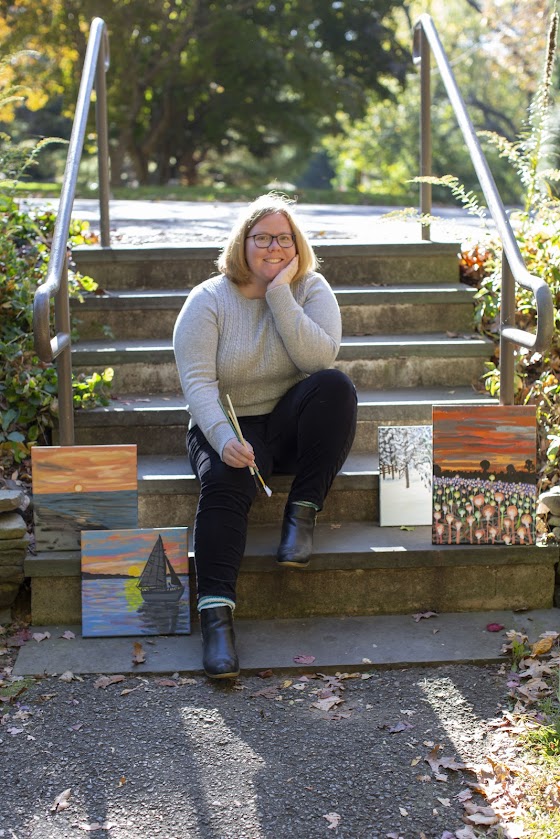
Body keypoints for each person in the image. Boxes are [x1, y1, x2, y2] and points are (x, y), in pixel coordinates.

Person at [173, 193, 357, 679]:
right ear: (243, 243)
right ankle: (217, 623)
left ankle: (302, 516)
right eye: (262, 238)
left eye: (283, 238)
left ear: (296, 246)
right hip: (226, 422)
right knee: (224, 485)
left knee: (336, 387)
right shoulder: (208, 299)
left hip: (286, 422)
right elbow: (197, 384)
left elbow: (318, 362)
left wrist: (280, 293)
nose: (273, 247)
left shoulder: (311, 289)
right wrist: (220, 437)